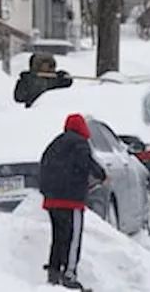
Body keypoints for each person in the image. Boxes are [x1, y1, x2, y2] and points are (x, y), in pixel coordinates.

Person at [38, 113, 106, 289]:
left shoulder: (55, 144)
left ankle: (54, 272)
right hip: (71, 201)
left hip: (52, 200)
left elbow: (43, 166)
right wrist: (101, 175)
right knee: (73, 238)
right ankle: (69, 274)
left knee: (58, 237)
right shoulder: (80, 144)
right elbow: (87, 163)